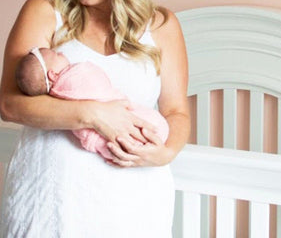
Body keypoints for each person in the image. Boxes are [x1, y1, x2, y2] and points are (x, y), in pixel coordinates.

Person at [0, 0, 190, 237]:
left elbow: (176, 111)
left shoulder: (161, 26)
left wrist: (164, 154)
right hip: (52, 202)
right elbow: (10, 104)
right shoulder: (44, 11)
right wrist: (93, 115)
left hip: (133, 201)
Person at [15, 47, 169, 160]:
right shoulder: (71, 80)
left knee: (131, 131)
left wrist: (165, 156)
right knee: (119, 135)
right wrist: (94, 113)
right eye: (56, 54)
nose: (61, 52)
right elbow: (9, 107)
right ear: (53, 74)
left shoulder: (59, 93)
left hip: (137, 153)